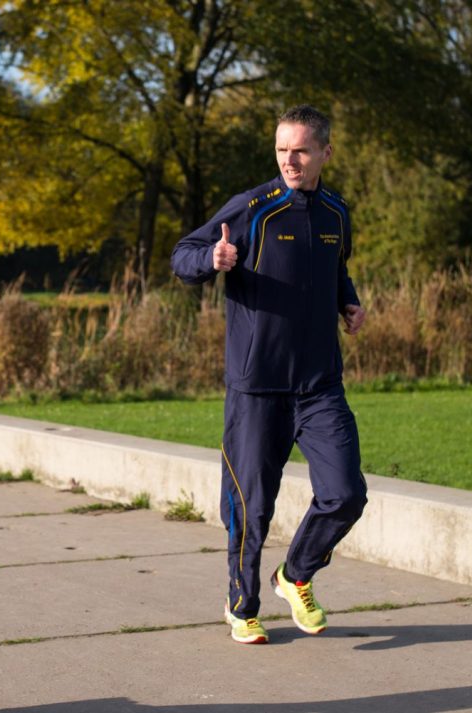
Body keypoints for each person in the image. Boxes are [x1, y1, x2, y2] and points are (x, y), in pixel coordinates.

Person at [170, 105, 367, 645]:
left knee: (346, 493)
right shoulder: (254, 207)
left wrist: (348, 303)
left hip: (320, 384)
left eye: (301, 150)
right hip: (256, 387)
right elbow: (182, 255)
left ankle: (296, 574)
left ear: (326, 152)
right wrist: (212, 257)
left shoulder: (335, 213)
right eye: (282, 149)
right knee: (251, 507)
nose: (290, 160)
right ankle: (242, 604)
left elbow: (336, 270)